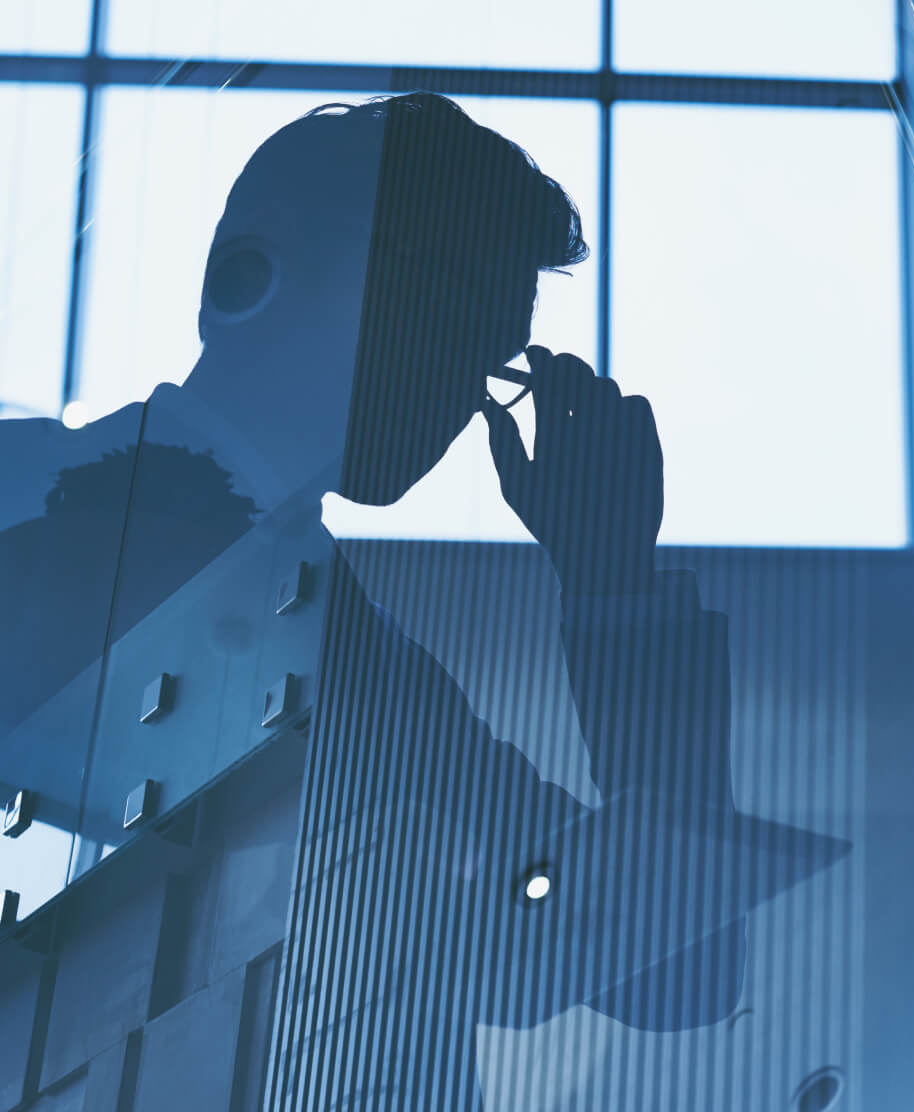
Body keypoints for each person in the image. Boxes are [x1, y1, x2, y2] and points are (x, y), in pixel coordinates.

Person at [0, 93, 843, 1108]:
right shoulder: (34, 498)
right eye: (443, 318)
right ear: (248, 279)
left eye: (487, 361)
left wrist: (612, 584)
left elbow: (682, 966)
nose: (456, 393)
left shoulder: (367, 663)